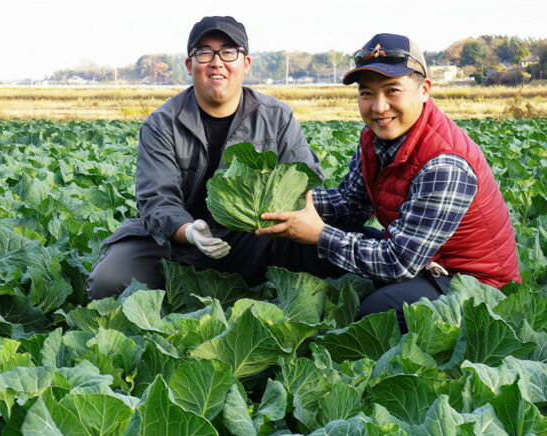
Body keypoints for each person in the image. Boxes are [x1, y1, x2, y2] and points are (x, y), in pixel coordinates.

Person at [257, 33, 520, 331]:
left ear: (425, 90)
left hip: (471, 287)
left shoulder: (445, 162)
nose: (379, 107)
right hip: (424, 264)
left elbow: (400, 262)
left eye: (392, 90)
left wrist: (320, 235)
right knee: (302, 245)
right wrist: (281, 200)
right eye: (367, 93)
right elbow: (351, 204)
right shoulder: (375, 140)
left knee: (377, 314)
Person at [88, 16, 341, 299]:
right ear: (190, 65)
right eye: (204, 52)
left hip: (253, 236)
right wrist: (190, 231)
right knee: (108, 282)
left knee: (331, 255)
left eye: (229, 52)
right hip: (176, 240)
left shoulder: (277, 118)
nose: (217, 62)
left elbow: (304, 182)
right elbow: (157, 200)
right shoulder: (161, 124)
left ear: (246, 64)